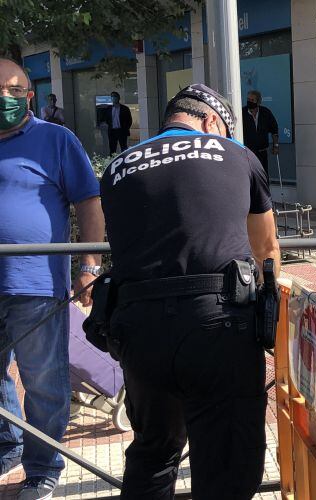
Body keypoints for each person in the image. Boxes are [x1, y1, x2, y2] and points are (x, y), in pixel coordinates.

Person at [99, 84, 279, 499]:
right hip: (218, 325)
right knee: (227, 463)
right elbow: (265, 250)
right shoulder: (238, 155)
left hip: (137, 328)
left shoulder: (117, 167)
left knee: (153, 453)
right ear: (212, 122)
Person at [0, 57, 105, 500]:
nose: (3, 98)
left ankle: (43, 467)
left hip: (36, 285)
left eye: (11, 89)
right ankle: (9, 447)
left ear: (29, 95)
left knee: (44, 380)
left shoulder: (55, 139)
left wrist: (89, 267)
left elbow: (89, 203)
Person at [241, 90, 280, 174]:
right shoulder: (242, 113)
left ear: (258, 102)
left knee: (263, 175)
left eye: (252, 100)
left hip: (262, 152)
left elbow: (274, 130)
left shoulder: (265, 113)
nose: (249, 102)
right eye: (248, 99)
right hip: (247, 152)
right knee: (250, 175)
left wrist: (276, 146)